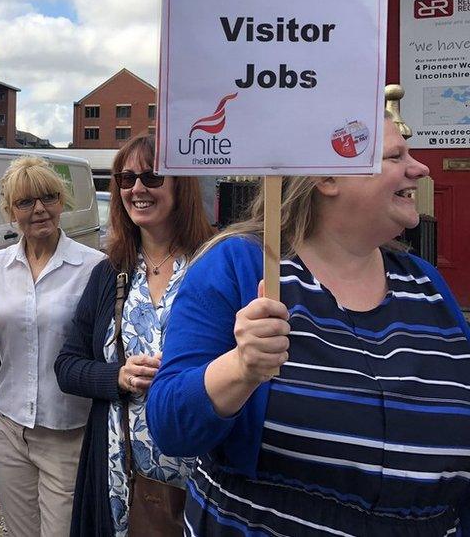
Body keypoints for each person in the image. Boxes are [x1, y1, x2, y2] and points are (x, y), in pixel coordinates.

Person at [146, 117, 470, 535]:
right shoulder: (240, 267)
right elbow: (171, 426)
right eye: (394, 157)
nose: (420, 168)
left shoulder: (427, 284)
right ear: (327, 176)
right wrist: (241, 368)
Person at [54, 134, 214, 537]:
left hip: (205, 471)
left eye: (152, 176)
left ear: (182, 185)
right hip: (120, 476)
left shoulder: (214, 266)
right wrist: (117, 377)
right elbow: (67, 366)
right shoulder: (110, 273)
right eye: (126, 179)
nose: (137, 188)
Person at [0, 155, 105, 537]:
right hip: (7, 428)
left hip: (68, 431)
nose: (39, 209)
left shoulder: (95, 267)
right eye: (25, 202)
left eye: (48, 197)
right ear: (9, 211)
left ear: (62, 201)